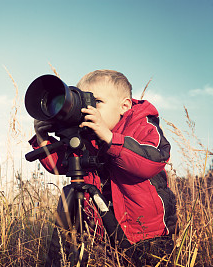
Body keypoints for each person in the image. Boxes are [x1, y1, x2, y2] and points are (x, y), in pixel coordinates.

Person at [29, 70, 177, 265]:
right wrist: (42, 139)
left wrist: (109, 138)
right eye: (81, 101)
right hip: (103, 237)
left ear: (125, 106)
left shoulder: (141, 125)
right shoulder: (86, 133)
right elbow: (61, 166)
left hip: (147, 236)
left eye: (95, 102)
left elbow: (151, 162)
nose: (87, 110)